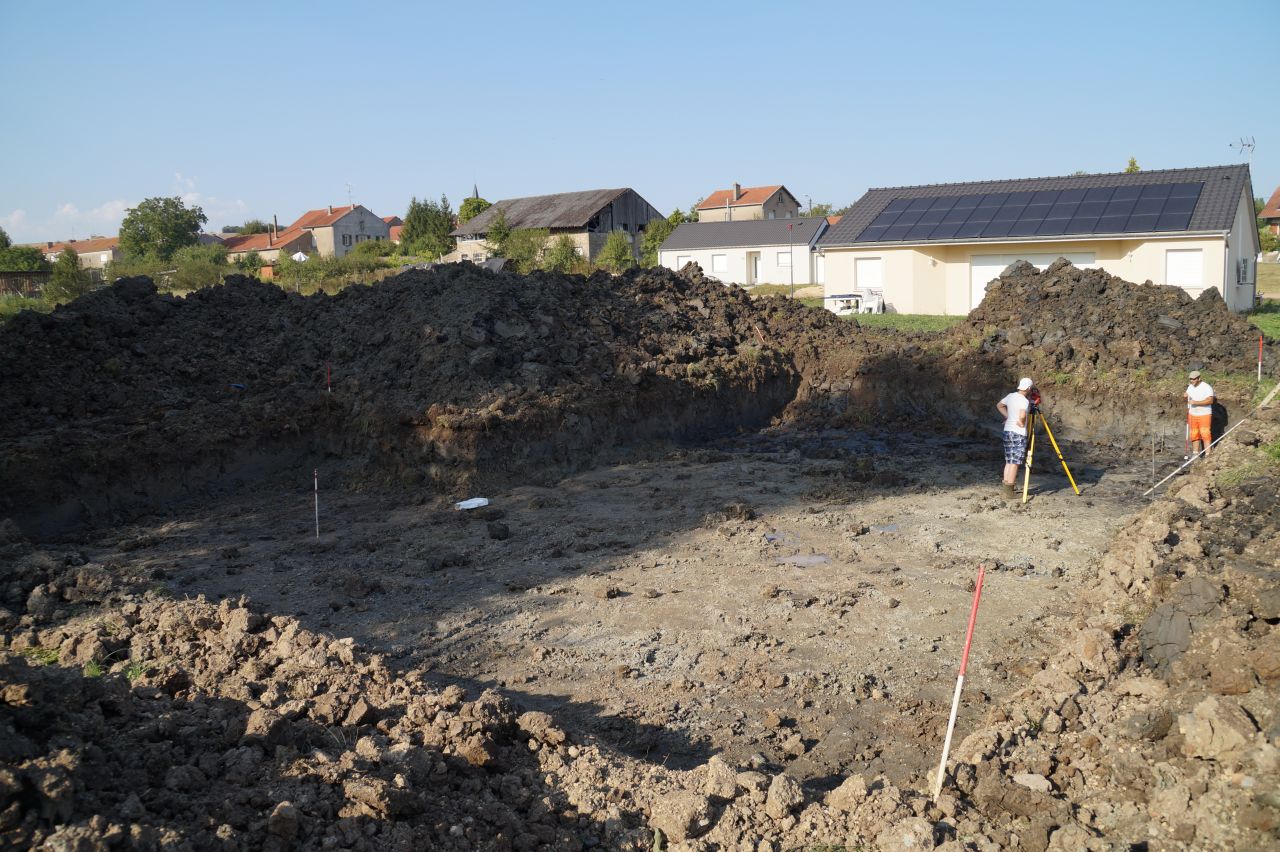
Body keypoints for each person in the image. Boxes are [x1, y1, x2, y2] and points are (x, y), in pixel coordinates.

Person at [997, 378, 1034, 498]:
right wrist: (1022, 422)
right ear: (1028, 388)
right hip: (1018, 433)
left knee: (1009, 461)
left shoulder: (1011, 396)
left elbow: (1000, 405)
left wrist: (1008, 417)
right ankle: (1009, 493)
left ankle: (1006, 488)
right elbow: (1022, 414)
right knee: (1015, 462)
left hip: (1007, 431)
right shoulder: (1024, 401)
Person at [1185, 370, 1215, 458]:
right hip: (1192, 414)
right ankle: (1195, 454)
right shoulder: (1190, 386)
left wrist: (1196, 402)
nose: (1192, 381)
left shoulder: (1206, 387)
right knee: (1194, 434)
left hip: (1204, 414)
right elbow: (1187, 394)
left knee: (1205, 433)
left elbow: (1210, 400)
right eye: (1190, 379)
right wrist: (1185, 395)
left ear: (1199, 378)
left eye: (1194, 379)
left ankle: (1208, 454)